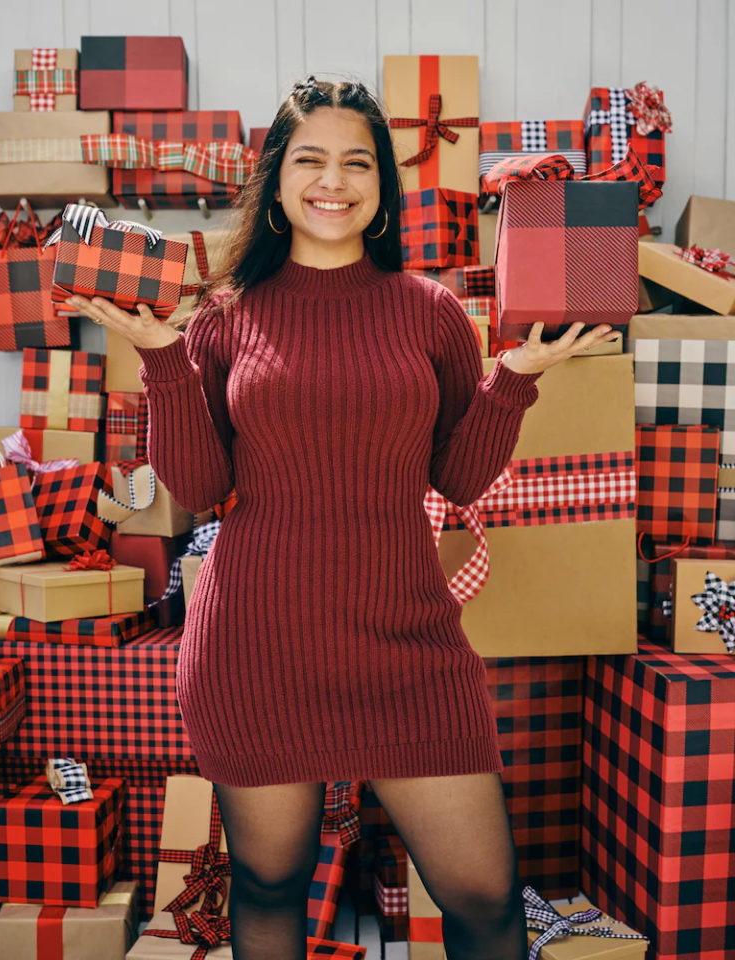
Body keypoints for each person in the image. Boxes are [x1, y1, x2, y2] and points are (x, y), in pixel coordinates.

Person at [67, 75, 618, 960]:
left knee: (482, 895)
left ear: (382, 187)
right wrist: (164, 358)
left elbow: (459, 478)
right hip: (259, 644)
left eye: (358, 161)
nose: (334, 180)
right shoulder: (224, 316)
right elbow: (201, 485)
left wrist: (516, 376)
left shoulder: (430, 309)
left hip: (409, 643)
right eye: (310, 159)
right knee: (271, 885)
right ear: (277, 180)